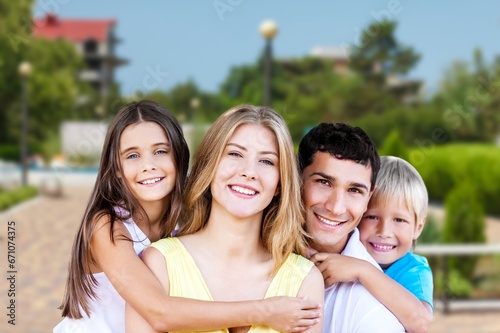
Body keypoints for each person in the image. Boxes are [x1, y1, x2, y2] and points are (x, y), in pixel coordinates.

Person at [54, 101, 322, 333]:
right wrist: (264, 311)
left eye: (160, 151)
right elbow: (159, 311)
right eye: (133, 155)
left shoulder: (180, 221)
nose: (148, 165)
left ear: (180, 159)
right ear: (116, 170)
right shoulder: (107, 226)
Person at [298, 123, 405, 332]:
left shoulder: (373, 310)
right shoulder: (253, 247)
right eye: (324, 182)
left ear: (369, 197)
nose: (336, 208)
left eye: (354, 190)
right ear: (296, 178)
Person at [312, 156, 433, 332]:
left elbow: (421, 322)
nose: (384, 231)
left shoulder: (413, 270)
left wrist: (363, 270)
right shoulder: (345, 252)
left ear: (418, 227)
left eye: (399, 220)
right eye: (372, 217)